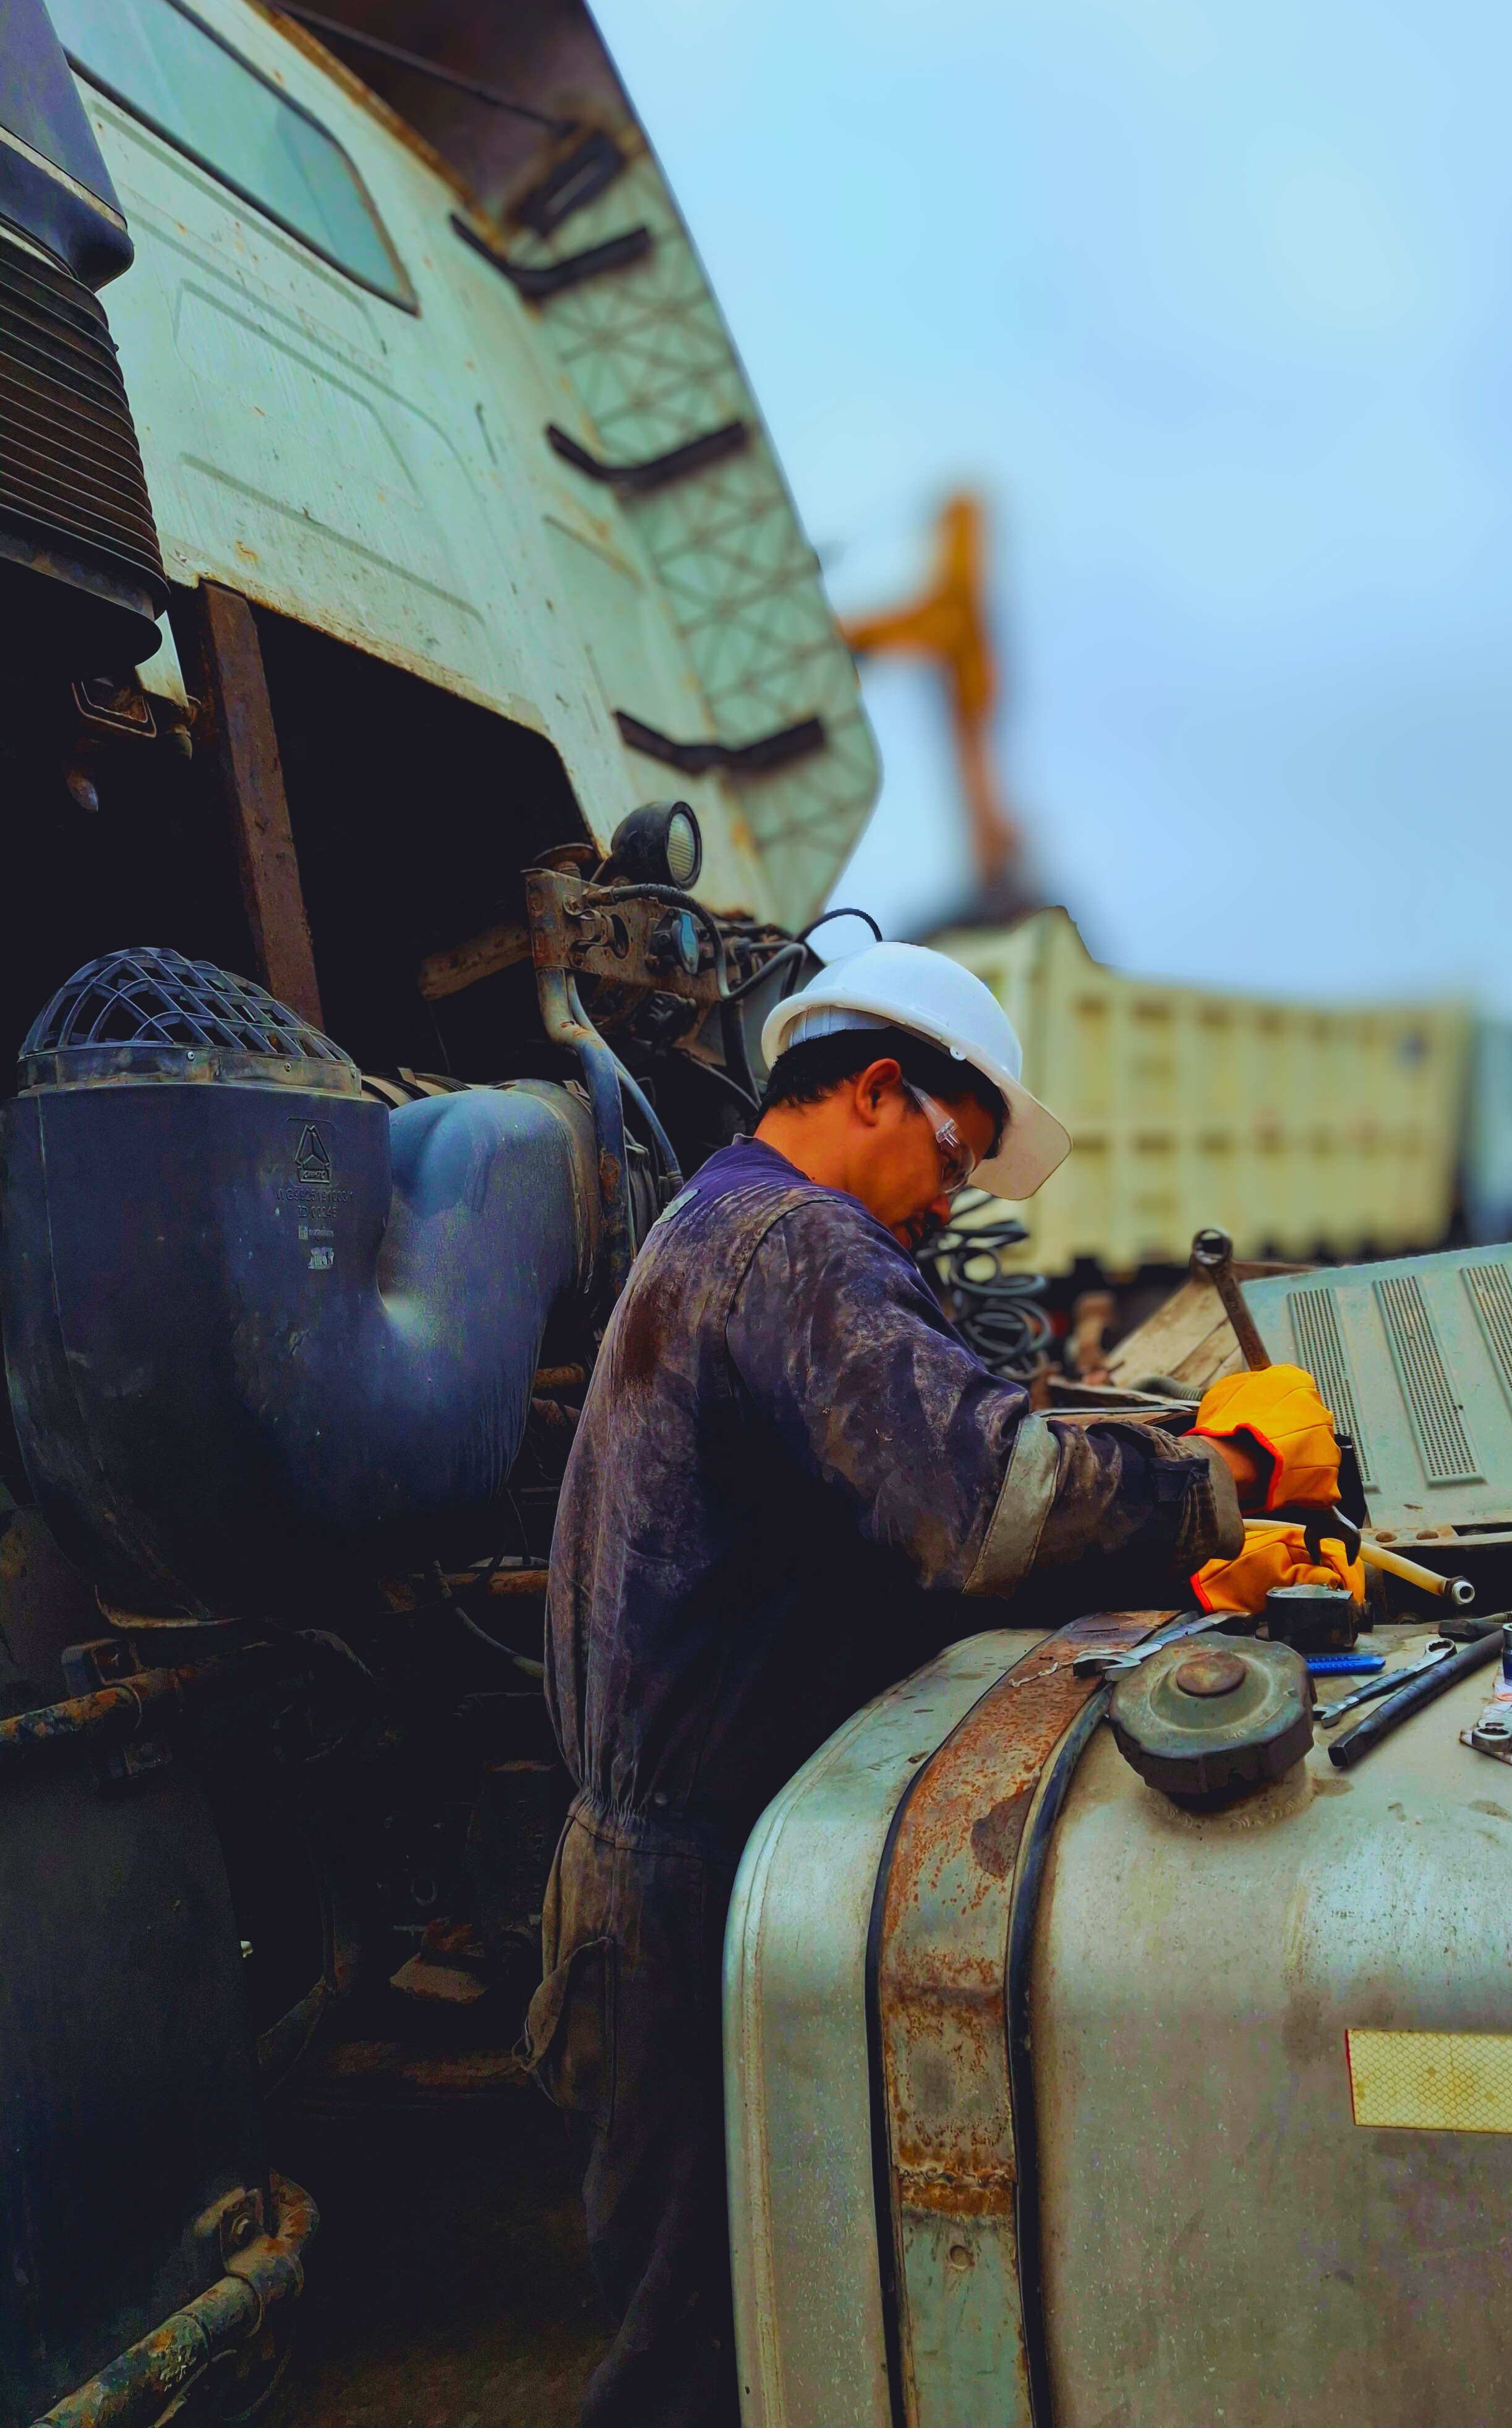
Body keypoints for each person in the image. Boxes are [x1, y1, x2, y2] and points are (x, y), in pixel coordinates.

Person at [526, 940, 1343, 2428]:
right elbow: (980, 1503)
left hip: (676, 1859)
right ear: (878, 1090)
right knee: (687, 2360)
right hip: (692, 1885)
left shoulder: (716, 1224)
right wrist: (1219, 1472)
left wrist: (1183, 1566)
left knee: (758, 2326)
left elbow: (894, 1541)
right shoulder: (800, 1245)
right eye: (956, 1157)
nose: (951, 1201)